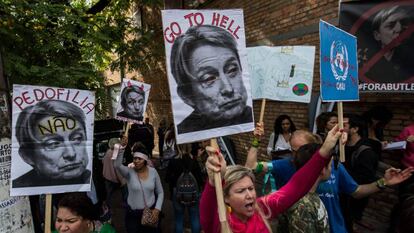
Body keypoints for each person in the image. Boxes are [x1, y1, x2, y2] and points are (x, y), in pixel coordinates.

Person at [246, 127, 414, 233]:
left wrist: (383, 182)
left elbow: (356, 191)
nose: (296, 155)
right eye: (292, 150)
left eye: (302, 149)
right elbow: (251, 167)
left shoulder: (332, 165)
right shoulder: (286, 165)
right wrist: (256, 140)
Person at [200, 122, 344, 233]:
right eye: (240, 191)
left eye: (251, 188)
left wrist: (325, 150)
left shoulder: (262, 208)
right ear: (225, 197)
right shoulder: (220, 223)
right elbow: (207, 210)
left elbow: (296, 186)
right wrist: (213, 182)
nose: (250, 195)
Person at [170, 25, 253, 134]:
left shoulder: (253, 119)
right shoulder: (186, 134)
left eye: (232, 70)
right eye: (209, 78)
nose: (228, 89)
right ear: (186, 95)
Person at [13, 100, 91, 188]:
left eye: (77, 138)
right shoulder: (21, 191)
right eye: (53, 144)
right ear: (27, 155)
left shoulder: (95, 180)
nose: (71, 154)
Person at [113, 139, 164, 233]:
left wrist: (157, 209)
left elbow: (160, 192)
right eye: (134, 158)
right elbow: (117, 165)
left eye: (139, 159)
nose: (136, 161)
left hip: (150, 213)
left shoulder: (153, 172)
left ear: (145, 160)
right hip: (133, 216)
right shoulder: (129, 172)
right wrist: (121, 149)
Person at [278, 143, 331, 233]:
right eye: (330, 165)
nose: (331, 169)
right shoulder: (303, 207)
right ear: (322, 169)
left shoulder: (309, 196)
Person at [342, 114, 380, 231]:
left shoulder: (365, 152)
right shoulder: (340, 145)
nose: (339, 127)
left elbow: (365, 180)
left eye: (344, 125)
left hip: (354, 198)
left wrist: (343, 174)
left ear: (355, 129)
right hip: (341, 195)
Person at [366, 5, 414, 83]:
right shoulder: (365, 61)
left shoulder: (409, 61)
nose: (398, 29)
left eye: (403, 24)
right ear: (377, 35)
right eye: (390, 25)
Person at [166, 144, 203, 233]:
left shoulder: (173, 161)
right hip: (194, 193)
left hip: (177, 192)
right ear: (190, 147)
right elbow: (200, 179)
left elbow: (167, 178)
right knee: (194, 217)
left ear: (177, 147)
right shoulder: (194, 160)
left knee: (179, 218)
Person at [102, 138, 124, 211]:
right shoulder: (116, 154)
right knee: (119, 193)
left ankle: (108, 208)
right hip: (114, 178)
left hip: (106, 177)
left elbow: (103, 162)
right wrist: (122, 180)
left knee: (109, 194)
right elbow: (117, 169)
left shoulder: (108, 152)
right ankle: (119, 207)